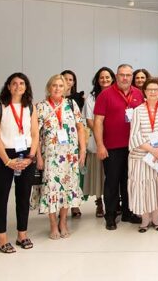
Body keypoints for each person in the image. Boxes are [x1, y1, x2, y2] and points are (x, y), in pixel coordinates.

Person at [0, 73, 39, 253]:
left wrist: (31, 157)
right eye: (14, 83)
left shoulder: (31, 108)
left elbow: (35, 135)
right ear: (8, 87)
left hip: (26, 155)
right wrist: (8, 161)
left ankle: (22, 235)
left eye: (22, 83)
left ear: (26, 87)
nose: (18, 86)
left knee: (23, 196)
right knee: (1, 197)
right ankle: (1, 238)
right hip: (3, 156)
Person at [34, 74, 86, 240]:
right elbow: (35, 134)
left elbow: (80, 128)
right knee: (52, 189)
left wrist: (82, 151)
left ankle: (63, 221)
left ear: (66, 88)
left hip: (70, 155)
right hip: (50, 155)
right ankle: (53, 224)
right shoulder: (40, 107)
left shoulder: (71, 105)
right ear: (49, 87)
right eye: (54, 85)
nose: (57, 88)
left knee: (67, 188)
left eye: (60, 86)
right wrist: (38, 157)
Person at [94, 64, 144, 230]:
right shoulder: (105, 95)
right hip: (112, 147)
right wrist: (100, 145)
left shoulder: (138, 93)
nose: (125, 78)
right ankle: (110, 215)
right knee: (112, 182)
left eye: (128, 75)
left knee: (129, 181)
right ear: (116, 76)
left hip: (134, 146)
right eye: (122, 75)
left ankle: (128, 212)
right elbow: (98, 121)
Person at [128, 78, 158, 232]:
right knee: (143, 187)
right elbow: (135, 135)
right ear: (145, 92)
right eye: (150, 89)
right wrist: (152, 150)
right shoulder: (138, 110)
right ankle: (144, 220)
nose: (153, 92)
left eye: (156, 89)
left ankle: (156, 219)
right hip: (142, 156)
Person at [83, 67, 114, 219]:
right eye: (102, 77)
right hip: (98, 141)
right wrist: (100, 131)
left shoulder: (117, 94)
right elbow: (89, 120)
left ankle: (115, 203)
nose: (105, 80)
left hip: (115, 140)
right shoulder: (92, 97)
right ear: (97, 80)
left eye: (107, 77)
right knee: (98, 173)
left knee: (113, 174)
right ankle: (99, 203)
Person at [61, 69, 86, 218]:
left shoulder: (77, 99)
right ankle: (60, 205)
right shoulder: (50, 100)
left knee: (74, 176)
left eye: (70, 79)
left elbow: (80, 123)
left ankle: (74, 206)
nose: (67, 82)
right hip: (56, 145)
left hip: (74, 142)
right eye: (65, 79)